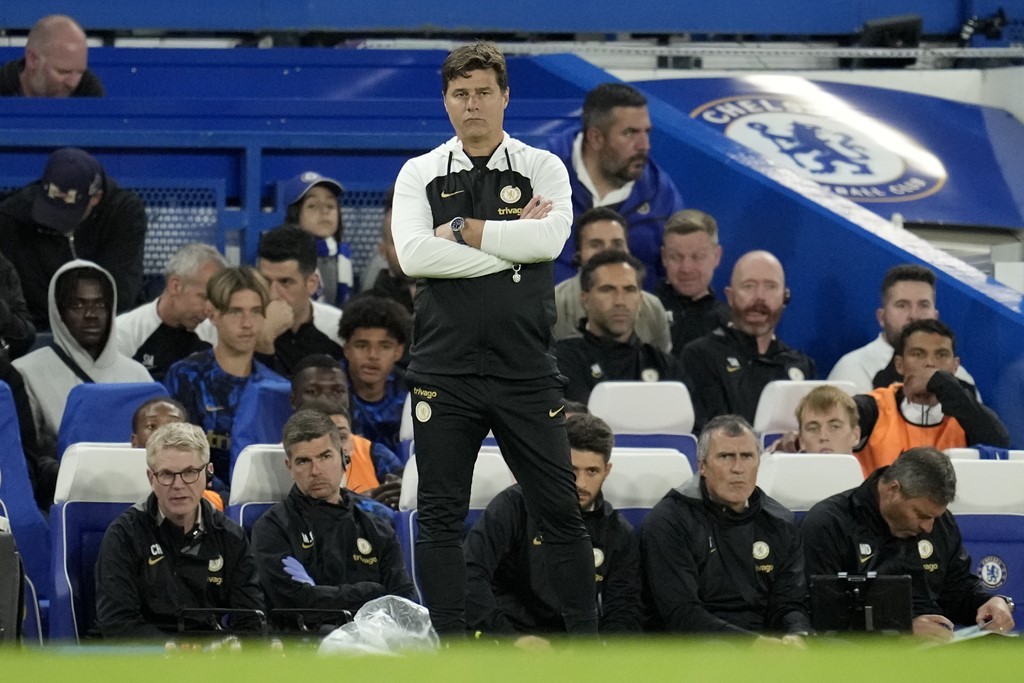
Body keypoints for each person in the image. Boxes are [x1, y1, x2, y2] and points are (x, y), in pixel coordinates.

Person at [391, 41, 599, 636]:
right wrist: (511, 251)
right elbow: (413, 256)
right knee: (438, 515)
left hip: (525, 369)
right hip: (443, 370)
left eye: (484, 92)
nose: (473, 104)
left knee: (560, 511)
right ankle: (452, 650)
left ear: (506, 97)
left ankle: (589, 649)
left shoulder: (543, 166)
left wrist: (461, 232)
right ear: (446, 101)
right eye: (461, 94)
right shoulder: (420, 172)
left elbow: (550, 245)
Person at [801, 447, 1015, 641]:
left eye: (935, 517)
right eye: (921, 515)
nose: (929, 527)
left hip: (938, 655)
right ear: (893, 490)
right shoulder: (829, 524)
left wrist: (989, 603)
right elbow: (822, 618)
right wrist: (900, 631)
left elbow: (957, 592)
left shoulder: (940, 522)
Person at [465, 413, 642, 639]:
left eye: (592, 471)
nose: (581, 484)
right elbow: (469, 575)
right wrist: (510, 638)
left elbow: (625, 608)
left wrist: (600, 656)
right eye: (572, 470)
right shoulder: (514, 507)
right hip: (510, 638)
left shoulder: (617, 532)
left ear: (606, 471)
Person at [641, 415, 810, 641]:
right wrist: (753, 645)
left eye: (747, 456)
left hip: (769, 648)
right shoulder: (670, 520)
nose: (738, 468)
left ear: (758, 463)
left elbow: (789, 603)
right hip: (696, 650)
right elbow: (681, 614)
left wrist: (797, 634)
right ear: (702, 466)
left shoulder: (780, 521)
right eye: (725, 457)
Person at [94, 422, 264, 638]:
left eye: (190, 472)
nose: (178, 485)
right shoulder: (124, 535)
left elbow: (251, 621)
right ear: (150, 478)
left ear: (208, 473)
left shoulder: (231, 537)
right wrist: (177, 653)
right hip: (148, 661)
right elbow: (118, 624)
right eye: (166, 474)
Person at [251, 409, 415, 624]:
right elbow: (295, 604)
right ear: (289, 467)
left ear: (344, 458)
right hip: (304, 648)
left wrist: (325, 595)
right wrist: (372, 591)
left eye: (325, 456)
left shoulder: (376, 524)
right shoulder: (272, 528)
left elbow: (403, 600)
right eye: (303, 461)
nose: (316, 470)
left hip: (377, 644)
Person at [546, 82, 684, 288]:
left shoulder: (661, 197)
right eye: (630, 133)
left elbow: (675, 282)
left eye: (646, 132)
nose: (644, 145)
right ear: (596, 138)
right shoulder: (536, 177)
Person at [164, 266, 285, 494]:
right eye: (235, 311)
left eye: (256, 311)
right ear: (212, 313)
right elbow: (177, 454)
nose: (247, 323)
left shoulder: (276, 387)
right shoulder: (186, 376)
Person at [13, 260, 152, 457]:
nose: (91, 315)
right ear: (59, 312)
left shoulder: (138, 375)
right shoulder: (25, 372)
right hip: (57, 485)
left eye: (100, 304)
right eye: (77, 305)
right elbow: (24, 454)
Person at [0, 147, 147, 329]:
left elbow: (120, 292)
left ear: (95, 198)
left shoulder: (123, 214)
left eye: (68, 212)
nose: (57, 222)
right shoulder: (12, 216)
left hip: (107, 326)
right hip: (40, 327)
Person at [852, 319, 1008, 478]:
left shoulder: (967, 414)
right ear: (899, 364)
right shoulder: (872, 407)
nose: (930, 363)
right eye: (918, 354)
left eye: (941, 355)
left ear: (955, 366)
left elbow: (1001, 445)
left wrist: (942, 383)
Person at [680, 250, 815, 432]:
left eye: (770, 286)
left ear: (785, 296)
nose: (759, 296)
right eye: (749, 286)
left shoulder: (801, 364)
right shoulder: (701, 356)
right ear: (730, 296)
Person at [556, 250, 686, 404]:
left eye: (629, 290)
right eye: (607, 290)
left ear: (640, 299)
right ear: (585, 300)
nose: (620, 301)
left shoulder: (665, 366)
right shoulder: (561, 363)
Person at [828, 264, 977, 394]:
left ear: (935, 316)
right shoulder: (853, 369)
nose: (914, 315)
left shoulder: (960, 378)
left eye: (923, 305)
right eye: (902, 305)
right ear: (882, 317)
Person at [552, 207, 671, 352]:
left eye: (617, 244)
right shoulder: (553, 305)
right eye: (596, 244)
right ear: (579, 253)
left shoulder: (652, 308)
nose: (608, 251)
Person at [116, 243, 226, 381]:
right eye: (203, 297)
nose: (208, 309)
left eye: (214, 300)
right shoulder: (124, 332)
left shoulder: (217, 333)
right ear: (175, 286)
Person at [255, 224, 343, 377]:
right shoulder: (239, 325)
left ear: (312, 284)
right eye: (265, 281)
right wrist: (263, 338)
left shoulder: (338, 328)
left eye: (285, 282)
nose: (273, 295)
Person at [339, 294, 410, 454]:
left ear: (398, 351)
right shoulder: (327, 387)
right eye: (362, 345)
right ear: (346, 348)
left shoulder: (412, 394)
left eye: (384, 346)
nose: (372, 355)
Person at [655, 209, 730, 353]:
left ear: (717, 256)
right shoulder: (639, 312)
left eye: (698, 256)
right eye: (676, 257)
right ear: (664, 257)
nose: (686, 268)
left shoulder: (731, 324)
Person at [280, 171, 352, 305]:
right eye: (312, 206)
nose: (324, 212)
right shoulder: (283, 259)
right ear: (294, 215)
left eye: (330, 205)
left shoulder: (342, 255)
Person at [0, 15, 104, 98]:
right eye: (63, 72)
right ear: (32, 59)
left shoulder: (88, 92)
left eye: (80, 72)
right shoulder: (3, 85)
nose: (73, 83)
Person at [367, 186, 415, 314]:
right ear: (382, 250)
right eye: (398, 242)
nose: (409, 249)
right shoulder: (367, 311)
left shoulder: (457, 301)